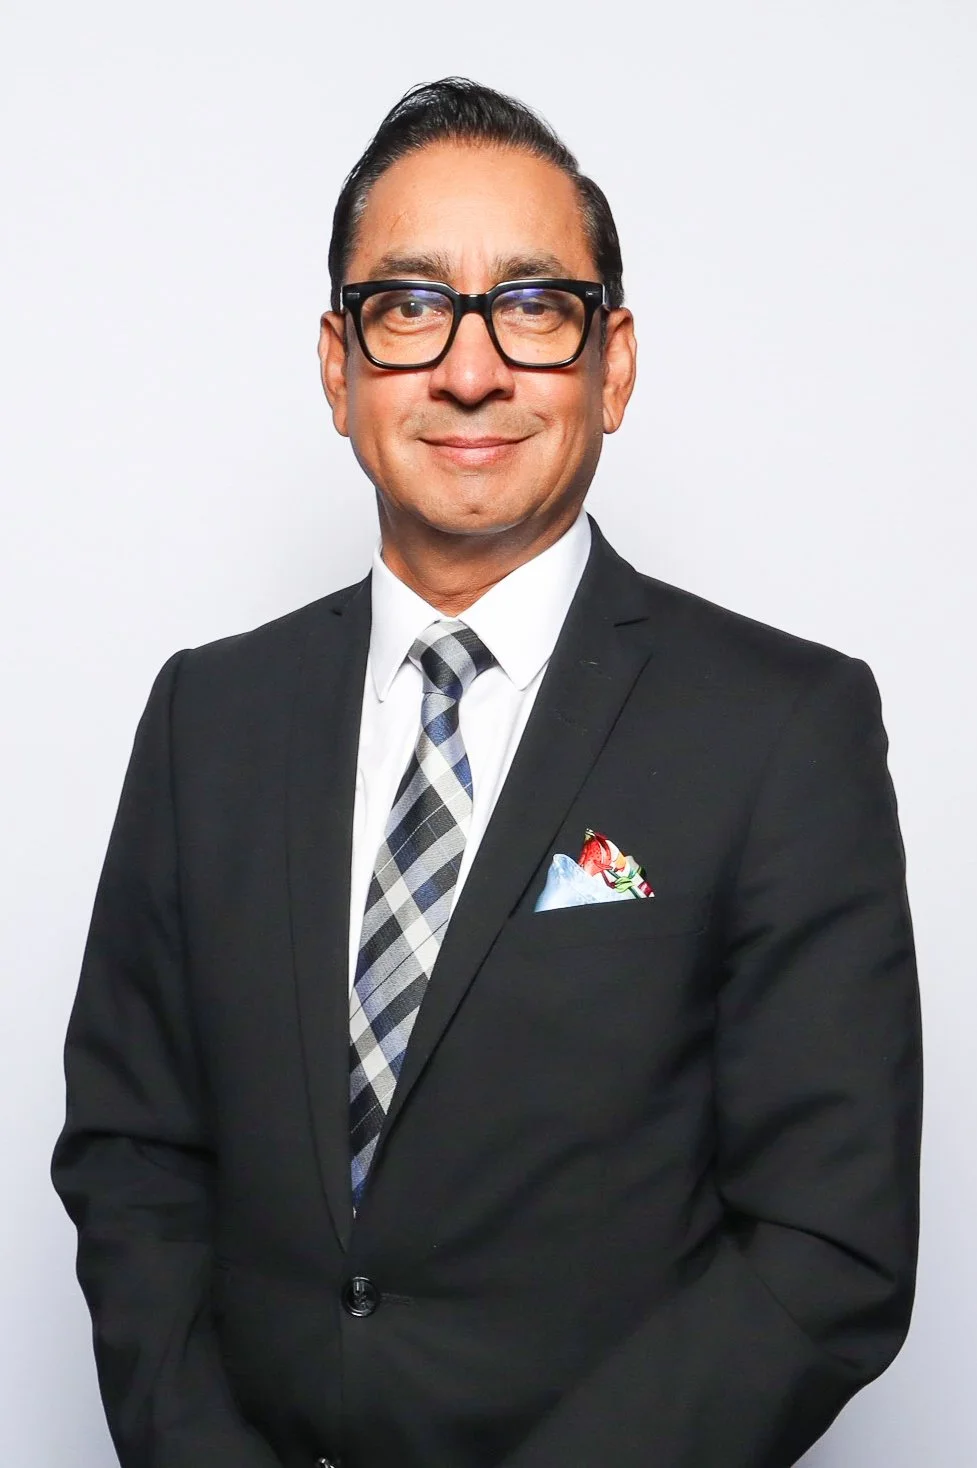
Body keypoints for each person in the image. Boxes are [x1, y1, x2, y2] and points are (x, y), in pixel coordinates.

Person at [52, 77, 922, 1468]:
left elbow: (826, 1246)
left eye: (532, 305)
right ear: (338, 367)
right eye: (407, 307)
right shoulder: (206, 716)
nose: (470, 368)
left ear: (611, 362)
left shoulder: (781, 729)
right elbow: (132, 1153)